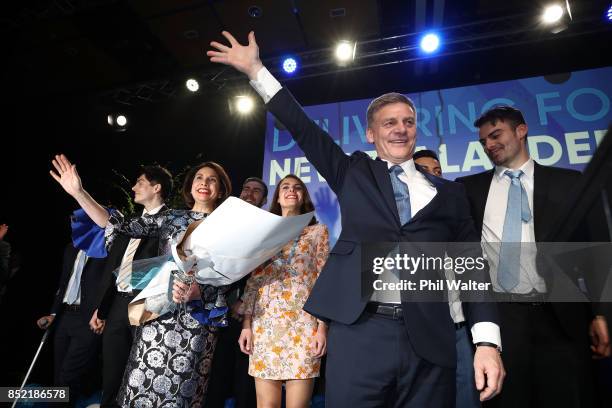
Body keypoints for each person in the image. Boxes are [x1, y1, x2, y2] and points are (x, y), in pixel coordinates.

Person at [208, 31, 504, 407]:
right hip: (361, 329)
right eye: (389, 122)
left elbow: (471, 269)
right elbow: (303, 129)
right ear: (371, 132)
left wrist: (487, 342)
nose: (400, 129)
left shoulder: (450, 194)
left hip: (430, 336)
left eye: (408, 121)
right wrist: (256, 71)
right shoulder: (354, 173)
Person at [455, 105, 611, 408]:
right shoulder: (467, 190)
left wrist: (601, 311)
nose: (489, 145)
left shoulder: (570, 183)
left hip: (562, 318)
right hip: (501, 319)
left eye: (496, 135)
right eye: (484, 141)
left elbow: (597, 251)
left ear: (521, 131)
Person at [50, 154, 232, 407]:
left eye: (212, 180)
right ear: (191, 185)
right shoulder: (171, 219)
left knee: (181, 394)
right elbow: (118, 224)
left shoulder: (229, 226)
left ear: (221, 189)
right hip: (157, 317)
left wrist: (199, 291)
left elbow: (231, 275)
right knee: (139, 388)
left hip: (195, 322)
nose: (204, 183)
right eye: (199, 177)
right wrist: (79, 193)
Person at [238, 174, 329, 408]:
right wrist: (246, 325)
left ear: (303, 197)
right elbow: (253, 280)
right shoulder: (265, 232)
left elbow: (324, 279)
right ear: (277, 196)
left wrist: (322, 328)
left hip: (304, 324)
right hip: (264, 323)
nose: (291, 190)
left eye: (298, 187)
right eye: (285, 187)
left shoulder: (318, 231)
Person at [88, 166, 173, 407]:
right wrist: (102, 308)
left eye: (139, 182)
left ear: (156, 188)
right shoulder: (131, 223)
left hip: (150, 308)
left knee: (141, 377)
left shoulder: (172, 222)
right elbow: (116, 265)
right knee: (112, 375)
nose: (133, 188)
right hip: (117, 306)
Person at [414, 150, 480, 408]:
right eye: (424, 171)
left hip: (457, 328)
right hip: (414, 334)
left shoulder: (457, 214)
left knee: (465, 400)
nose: (433, 176)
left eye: (438, 171)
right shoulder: (395, 220)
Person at [205, 176, 267, 408]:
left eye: (256, 191)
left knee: (245, 384)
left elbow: (266, 273)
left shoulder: (269, 228)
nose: (249, 193)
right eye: (246, 188)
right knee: (214, 379)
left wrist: (244, 301)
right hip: (217, 314)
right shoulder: (222, 222)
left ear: (264, 199)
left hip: (251, 317)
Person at [36, 240, 107, 406]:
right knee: (58, 376)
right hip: (64, 316)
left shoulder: (106, 247)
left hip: (88, 319)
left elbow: (110, 284)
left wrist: (103, 314)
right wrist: (53, 314)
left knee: (68, 376)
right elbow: (63, 283)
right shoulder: (71, 247)